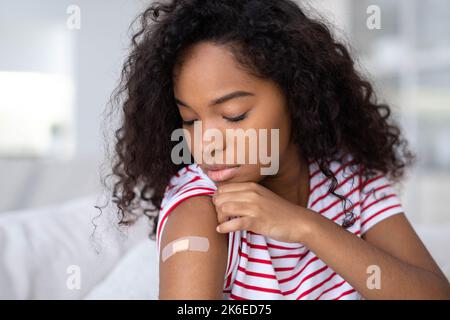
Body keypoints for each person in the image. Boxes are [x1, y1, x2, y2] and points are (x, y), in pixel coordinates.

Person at [104, 0, 450, 299]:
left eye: (233, 115)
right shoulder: (201, 209)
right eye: (190, 120)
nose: (207, 143)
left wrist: (305, 227)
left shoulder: (350, 180)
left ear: (298, 96)